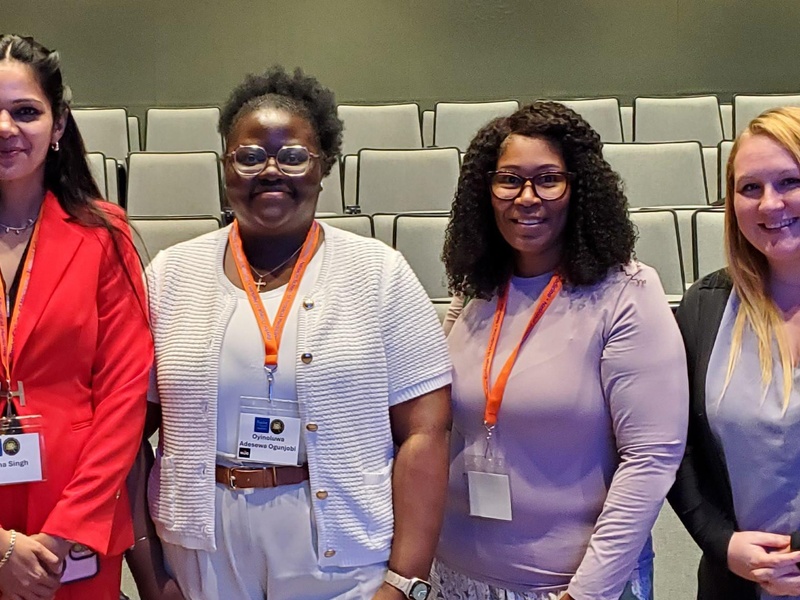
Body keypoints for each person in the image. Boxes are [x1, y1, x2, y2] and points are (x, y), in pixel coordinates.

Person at [144, 66, 452, 600]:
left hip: (342, 553)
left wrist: (404, 582)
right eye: (249, 155)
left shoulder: (379, 273)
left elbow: (426, 432)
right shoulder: (170, 276)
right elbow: (125, 437)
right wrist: (153, 579)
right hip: (204, 551)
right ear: (224, 166)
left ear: (323, 166)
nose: (270, 170)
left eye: (292, 156)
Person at [435, 102, 688, 600]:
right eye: (509, 179)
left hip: (569, 586)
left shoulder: (626, 292)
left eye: (548, 179)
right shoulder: (473, 291)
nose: (527, 198)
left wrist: (587, 592)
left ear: (579, 188)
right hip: (457, 576)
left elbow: (651, 458)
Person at [0, 34, 153, 600]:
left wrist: (62, 536)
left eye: (26, 112)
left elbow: (122, 400)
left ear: (58, 125)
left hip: (76, 523)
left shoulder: (103, 235)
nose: (6, 128)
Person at [668, 106, 800, 600]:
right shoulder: (704, 308)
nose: (770, 204)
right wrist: (721, 543)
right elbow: (673, 449)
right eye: (750, 188)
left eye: (790, 181)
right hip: (736, 585)